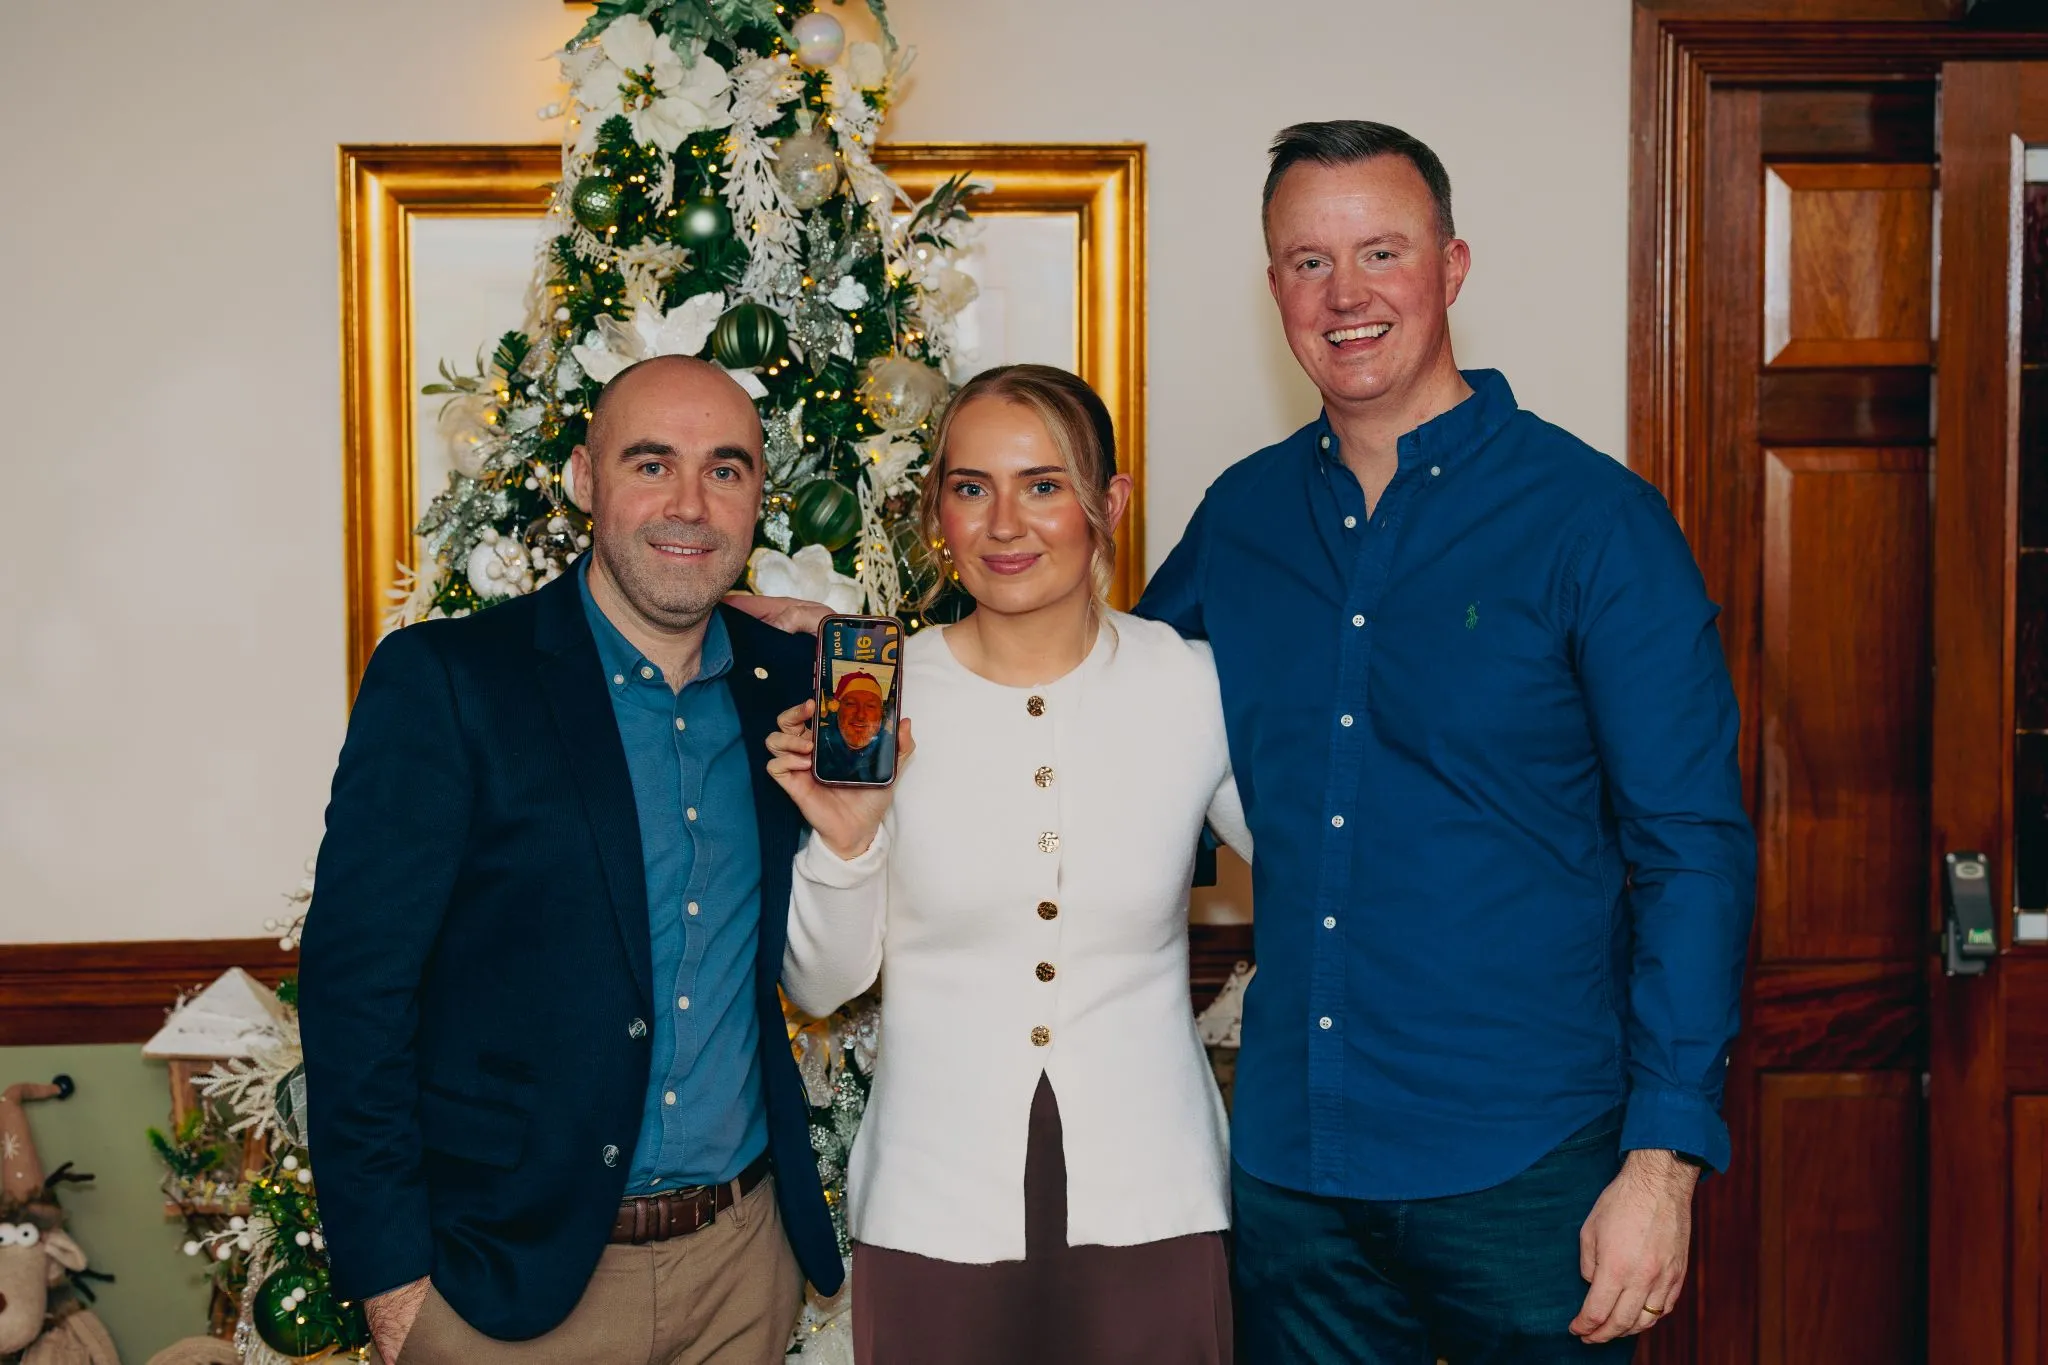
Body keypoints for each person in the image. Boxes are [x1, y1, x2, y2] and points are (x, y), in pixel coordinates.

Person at [1132, 121, 1756, 1361]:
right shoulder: (1241, 519)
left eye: (1381, 251)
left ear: (1452, 266)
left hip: (1529, 1175)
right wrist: (840, 644)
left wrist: (1663, 1166)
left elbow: (1692, 852)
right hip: (1292, 1180)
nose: (1345, 295)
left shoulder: (1595, 525)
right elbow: (1086, 693)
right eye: (1307, 262)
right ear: (1272, 290)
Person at [300, 356, 840, 1364]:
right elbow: (354, 996)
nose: (689, 503)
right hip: (505, 1289)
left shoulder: (786, 686)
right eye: (651, 463)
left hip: (740, 1273)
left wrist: (848, 635)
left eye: (726, 470)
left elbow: (982, 696)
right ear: (587, 482)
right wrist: (390, 1287)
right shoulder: (450, 683)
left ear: (758, 495)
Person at [765, 364, 1247, 1365]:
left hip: (1155, 1203)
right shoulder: (877, 689)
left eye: (1043, 484)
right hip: (932, 1213)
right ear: (937, 510)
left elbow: (1335, 869)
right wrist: (846, 834)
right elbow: (821, 981)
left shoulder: (1191, 685)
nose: (1003, 525)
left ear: (1107, 505)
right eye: (970, 487)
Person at [814, 670, 894, 783]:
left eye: (870, 706)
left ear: (881, 714)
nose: (860, 715)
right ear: (837, 709)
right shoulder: (815, 742)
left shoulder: (892, 749)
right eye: (851, 704)